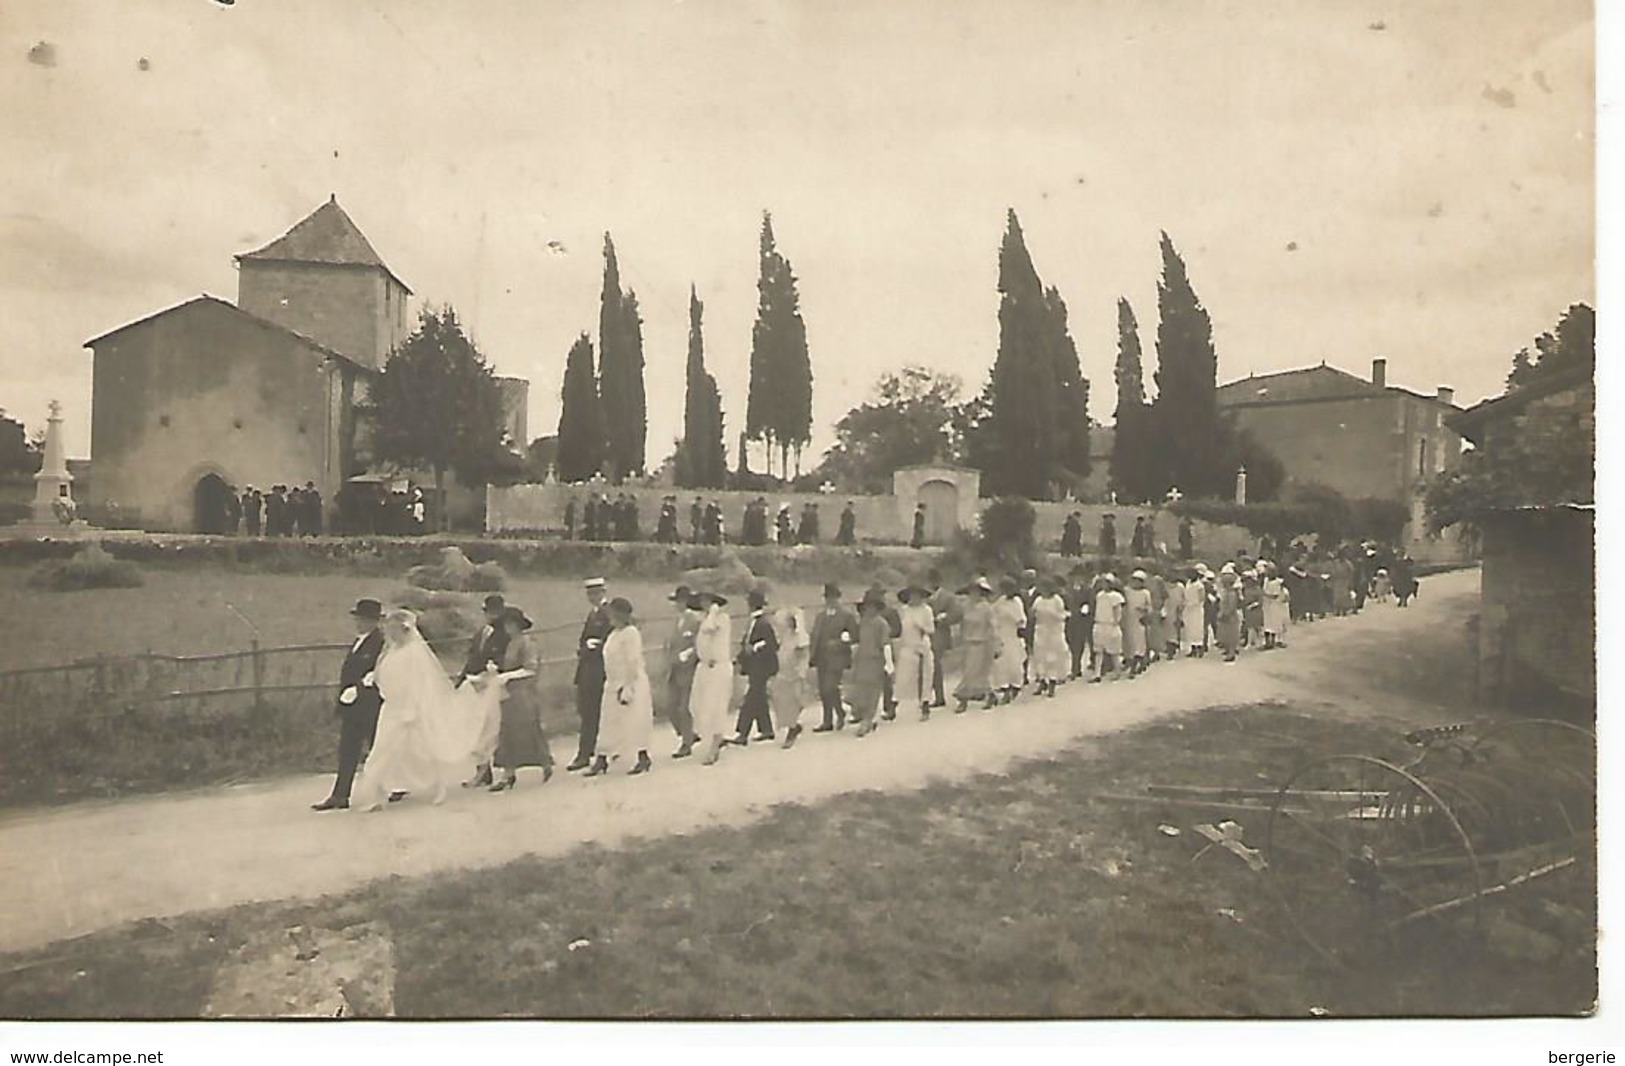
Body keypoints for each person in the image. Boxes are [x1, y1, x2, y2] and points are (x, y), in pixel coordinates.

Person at [350, 609, 487, 811]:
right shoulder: (390, 651)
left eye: (393, 629)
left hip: (410, 708)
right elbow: (382, 674)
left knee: (424, 750)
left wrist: (411, 709)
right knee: (382, 751)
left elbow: (420, 683)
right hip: (390, 708)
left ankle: (438, 786)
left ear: (403, 630)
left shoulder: (414, 653)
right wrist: (371, 680)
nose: (389, 633)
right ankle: (377, 795)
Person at [313, 599, 387, 811]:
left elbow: (378, 673)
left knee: (378, 748)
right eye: (358, 618)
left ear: (375, 621)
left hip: (369, 704)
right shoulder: (359, 641)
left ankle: (391, 787)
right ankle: (340, 795)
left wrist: (359, 689)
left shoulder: (379, 642)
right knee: (348, 749)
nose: (360, 622)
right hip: (352, 706)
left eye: (365, 619)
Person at [586, 598, 655, 777]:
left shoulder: (631, 633)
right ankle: (602, 758)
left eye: (613, 613)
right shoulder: (614, 633)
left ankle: (643, 756)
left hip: (630, 682)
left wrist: (628, 686)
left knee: (634, 720)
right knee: (608, 721)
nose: (610, 617)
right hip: (612, 682)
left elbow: (632, 660)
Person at [488, 606, 553, 790]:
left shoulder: (527, 643)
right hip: (508, 693)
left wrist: (507, 676)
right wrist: (497, 671)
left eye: (511, 623)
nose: (508, 627)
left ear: (518, 625)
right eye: (505, 624)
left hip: (524, 692)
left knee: (529, 728)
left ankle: (545, 763)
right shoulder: (511, 643)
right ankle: (508, 774)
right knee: (506, 731)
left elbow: (530, 668)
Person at [458, 593, 510, 787]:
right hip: (476, 683)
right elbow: (472, 657)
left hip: (493, 684)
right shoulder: (482, 632)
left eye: (495, 612)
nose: (491, 615)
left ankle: (499, 769)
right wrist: (463, 678)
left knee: (491, 728)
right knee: (478, 727)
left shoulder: (505, 633)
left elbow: (505, 660)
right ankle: (482, 769)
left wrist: (489, 674)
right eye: (488, 611)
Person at [567, 578, 613, 772]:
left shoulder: (608, 612)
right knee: (587, 711)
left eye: (596, 593)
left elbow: (612, 639)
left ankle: (587, 754)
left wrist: (595, 645)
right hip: (587, 668)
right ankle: (588, 752)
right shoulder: (593, 614)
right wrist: (584, 647)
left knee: (594, 713)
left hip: (599, 669)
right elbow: (584, 640)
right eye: (590, 593)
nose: (593, 597)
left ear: (603, 592)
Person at [730, 589, 780, 744]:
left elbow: (771, 643)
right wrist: (739, 658)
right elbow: (746, 643)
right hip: (754, 665)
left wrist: (756, 647)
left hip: (762, 665)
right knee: (758, 697)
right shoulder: (753, 622)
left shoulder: (763, 623)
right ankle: (766, 729)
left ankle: (742, 732)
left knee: (751, 697)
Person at [689, 592, 734, 765]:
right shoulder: (706, 619)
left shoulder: (721, 619)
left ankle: (715, 744)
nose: (704, 604)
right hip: (704, 667)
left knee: (716, 706)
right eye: (702, 601)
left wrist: (714, 612)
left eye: (707, 601)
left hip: (718, 667)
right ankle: (712, 738)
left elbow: (710, 628)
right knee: (696, 705)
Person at [809, 583, 858, 732]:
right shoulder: (820, 617)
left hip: (838, 657)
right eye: (827, 598)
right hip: (821, 657)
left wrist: (839, 642)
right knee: (824, 690)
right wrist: (812, 655)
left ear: (838, 598)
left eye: (833, 597)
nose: (830, 600)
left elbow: (854, 636)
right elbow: (815, 636)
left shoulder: (846, 616)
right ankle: (828, 720)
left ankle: (839, 712)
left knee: (829, 687)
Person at [848, 589, 894, 737]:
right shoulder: (863, 623)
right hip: (862, 661)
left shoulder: (882, 624)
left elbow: (886, 644)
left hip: (875, 661)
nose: (868, 609)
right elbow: (857, 639)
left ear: (876, 607)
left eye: (871, 606)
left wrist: (889, 663)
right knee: (860, 691)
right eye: (866, 607)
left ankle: (867, 720)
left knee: (872, 692)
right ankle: (863, 716)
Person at [663, 585, 702, 759]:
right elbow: (669, 643)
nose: (678, 604)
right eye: (676, 601)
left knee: (684, 708)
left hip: (688, 669)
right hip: (674, 668)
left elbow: (699, 644)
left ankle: (686, 743)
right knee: (671, 706)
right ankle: (689, 734)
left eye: (680, 601)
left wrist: (688, 654)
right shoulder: (675, 621)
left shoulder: (696, 620)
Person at [772, 601, 813, 748]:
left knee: (793, 702)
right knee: (779, 700)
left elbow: (803, 656)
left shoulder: (800, 637)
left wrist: (801, 672)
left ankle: (792, 729)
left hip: (794, 674)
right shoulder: (786, 635)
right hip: (783, 672)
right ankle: (792, 726)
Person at [955, 577, 997, 712]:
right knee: (972, 673)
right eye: (971, 592)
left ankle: (963, 700)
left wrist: (995, 645)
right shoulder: (966, 606)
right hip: (967, 642)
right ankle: (990, 694)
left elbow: (993, 627)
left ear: (981, 593)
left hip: (981, 643)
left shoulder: (987, 608)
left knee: (972, 673)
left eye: (976, 592)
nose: (973, 594)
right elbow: (962, 623)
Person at [894, 585, 936, 720]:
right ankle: (893, 706)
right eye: (912, 596)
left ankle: (925, 706)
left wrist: (921, 626)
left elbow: (931, 630)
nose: (914, 598)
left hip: (921, 645)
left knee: (925, 677)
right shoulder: (904, 610)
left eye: (917, 595)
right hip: (907, 646)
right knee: (902, 677)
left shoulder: (927, 610)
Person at [1029, 577, 1070, 697]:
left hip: (1053, 632)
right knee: (1039, 657)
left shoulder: (1057, 600)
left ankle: (1052, 683)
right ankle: (1042, 681)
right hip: (1041, 630)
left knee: (1052, 658)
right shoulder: (1038, 600)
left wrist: (1051, 614)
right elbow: (1032, 613)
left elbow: (1062, 616)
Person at [926, 569, 961, 708]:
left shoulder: (948, 597)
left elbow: (957, 614)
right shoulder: (926, 597)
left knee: (935, 663)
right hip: (927, 634)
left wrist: (944, 618)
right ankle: (931, 695)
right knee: (929, 665)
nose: (932, 583)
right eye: (930, 581)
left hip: (940, 633)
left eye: (934, 580)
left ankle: (939, 696)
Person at [991, 577, 1028, 704]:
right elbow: (993, 613)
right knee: (1002, 664)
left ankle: (1015, 685)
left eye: (1009, 588)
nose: (1006, 591)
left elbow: (1021, 618)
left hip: (1013, 634)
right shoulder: (1000, 602)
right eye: (1004, 588)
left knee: (1014, 662)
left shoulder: (1017, 601)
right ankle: (1005, 688)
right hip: (1002, 633)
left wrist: (1021, 629)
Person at [1091, 574, 1126, 682]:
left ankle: (1117, 671)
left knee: (1114, 651)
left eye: (1106, 583)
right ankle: (1097, 674)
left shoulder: (1116, 596)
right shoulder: (1099, 595)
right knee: (1098, 651)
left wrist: (1115, 623)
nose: (1104, 585)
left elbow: (1118, 611)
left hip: (1111, 625)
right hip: (1099, 624)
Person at [1063, 566, 1094, 679]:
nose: (1077, 578)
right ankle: (1076, 666)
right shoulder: (1067, 590)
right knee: (1071, 643)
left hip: (1081, 620)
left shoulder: (1087, 590)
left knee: (1079, 644)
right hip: (1069, 620)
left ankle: (1075, 668)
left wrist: (1085, 610)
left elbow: (1090, 603)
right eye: (1074, 576)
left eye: (1079, 576)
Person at [1122, 570, 1153, 677]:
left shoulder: (1145, 593)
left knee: (1139, 644)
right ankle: (1131, 662)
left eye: (1138, 581)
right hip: (1128, 620)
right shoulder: (1127, 591)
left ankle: (1136, 666)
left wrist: (1143, 610)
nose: (1136, 583)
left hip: (1139, 620)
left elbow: (1149, 608)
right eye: (1134, 580)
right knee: (1129, 643)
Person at [1215, 564, 1243, 662]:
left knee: (1231, 635)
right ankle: (1228, 650)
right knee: (1225, 634)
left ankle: (1231, 653)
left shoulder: (1232, 593)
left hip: (1230, 616)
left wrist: (1225, 613)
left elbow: (1232, 606)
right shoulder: (1226, 592)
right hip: (1225, 614)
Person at [1261, 563, 1291, 650]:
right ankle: (1267, 642)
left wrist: (1264, 594)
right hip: (1266, 605)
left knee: (1273, 624)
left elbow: (1275, 595)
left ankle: (1273, 641)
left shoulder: (1277, 583)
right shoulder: (1266, 580)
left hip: (1274, 605)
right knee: (1266, 623)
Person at [1182, 567, 1210, 656]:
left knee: (1198, 629)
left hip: (1197, 609)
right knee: (1189, 630)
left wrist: (1194, 604)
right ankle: (1193, 649)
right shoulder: (1188, 583)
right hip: (1188, 609)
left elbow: (1202, 598)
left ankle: (1200, 648)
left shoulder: (1199, 585)